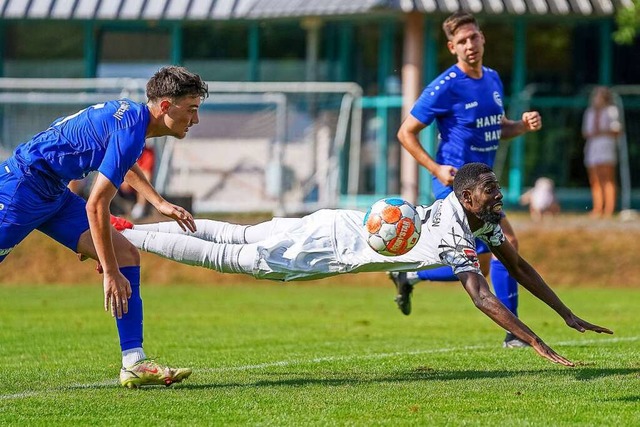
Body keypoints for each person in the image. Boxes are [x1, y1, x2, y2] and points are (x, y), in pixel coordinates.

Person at [111, 163, 613, 367]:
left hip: (336, 226)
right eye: (490, 189)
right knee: (236, 256)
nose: (498, 193)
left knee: (242, 238)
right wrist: (539, 344)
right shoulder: (455, 228)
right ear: (465, 195)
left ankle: (131, 231)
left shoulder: (482, 218)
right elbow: (481, 295)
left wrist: (566, 313)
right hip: (331, 246)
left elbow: (519, 267)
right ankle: (129, 233)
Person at [0, 65, 208, 388]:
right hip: (23, 186)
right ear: (166, 107)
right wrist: (109, 272)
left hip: (52, 193)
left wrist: (159, 203)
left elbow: (121, 165)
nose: (195, 120)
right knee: (117, 264)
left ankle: (134, 362)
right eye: (192, 110)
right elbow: (96, 204)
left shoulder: (133, 121)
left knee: (126, 254)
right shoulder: (132, 131)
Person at [393, 11, 543, 348]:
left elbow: (497, 127)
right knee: (508, 244)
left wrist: (522, 125)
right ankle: (515, 334)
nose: (470, 45)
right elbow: (405, 133)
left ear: (482, 38)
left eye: (473, 37)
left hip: (483, 188)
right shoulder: (444, 87)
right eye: (462, 41)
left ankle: (410, 274)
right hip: (457, 186)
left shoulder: (492, 78)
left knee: (483, 262)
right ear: (452, 47)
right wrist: (434, 168)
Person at [582, 86, 622, 219]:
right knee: (595, 180)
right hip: (593, 147)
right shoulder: (590, 112)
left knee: (608, 178)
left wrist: (601, 131)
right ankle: (597, 208)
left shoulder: (611, 111)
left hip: (606, 146)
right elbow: (585, 132)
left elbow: (617, 130)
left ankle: (609, 209)